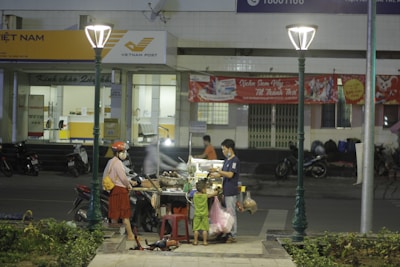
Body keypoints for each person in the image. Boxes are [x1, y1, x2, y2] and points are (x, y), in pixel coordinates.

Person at [103, 141, 138, 240]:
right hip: (121, 191)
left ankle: (115, 235)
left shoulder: (111, 161)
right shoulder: (118, 163)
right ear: (118, 153)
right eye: (123, 151)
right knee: (124, 215)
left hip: (113, 190)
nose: (125, 153)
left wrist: (130, 181)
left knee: (114, 215)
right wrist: (129, 185)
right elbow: (123, 178)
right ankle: (130, 235)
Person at [209, 139, 239, 243]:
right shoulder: (226, 160)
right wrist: (213, 174)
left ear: (230, 149)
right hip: (225, 190)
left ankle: (233, 235)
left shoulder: (235, 160)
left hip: (231, 191)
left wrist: (218, 171)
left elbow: (230, 174)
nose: (223, 151)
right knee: (225, 214)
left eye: (224, 149)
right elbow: (222, 174)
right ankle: (226, 232)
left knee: (231, 213)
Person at [192, 179, 219, 246]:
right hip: (204, 215)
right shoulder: (205, 196)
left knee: (196, 229)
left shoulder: (195, 195)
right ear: (203, 189)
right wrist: (216, 192)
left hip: (197, 214)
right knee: (204, 229)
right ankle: (205, 242)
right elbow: (212, 194)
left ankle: (195, 241)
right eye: (206, 188)